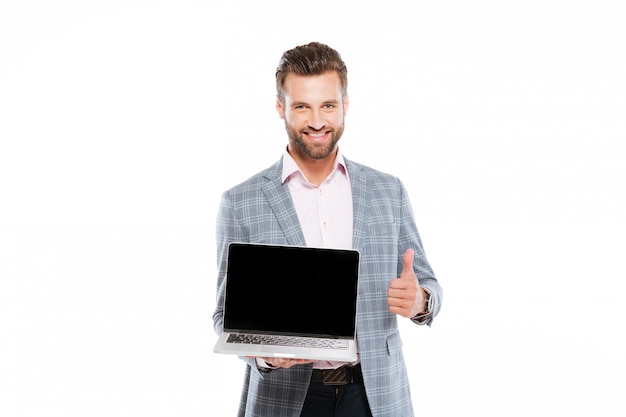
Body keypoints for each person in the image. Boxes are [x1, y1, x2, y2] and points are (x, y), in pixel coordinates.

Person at [212, 41, 442, 417]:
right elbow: (224, 316)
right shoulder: (240, 202)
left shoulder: (388, 191)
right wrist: (263, 355)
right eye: (302, 106)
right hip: (285, 400)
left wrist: (421, 302)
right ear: (279, 107)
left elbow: (429, 285)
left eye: (328, 106)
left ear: (345, 106)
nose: (317, 121)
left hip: (374, 394)